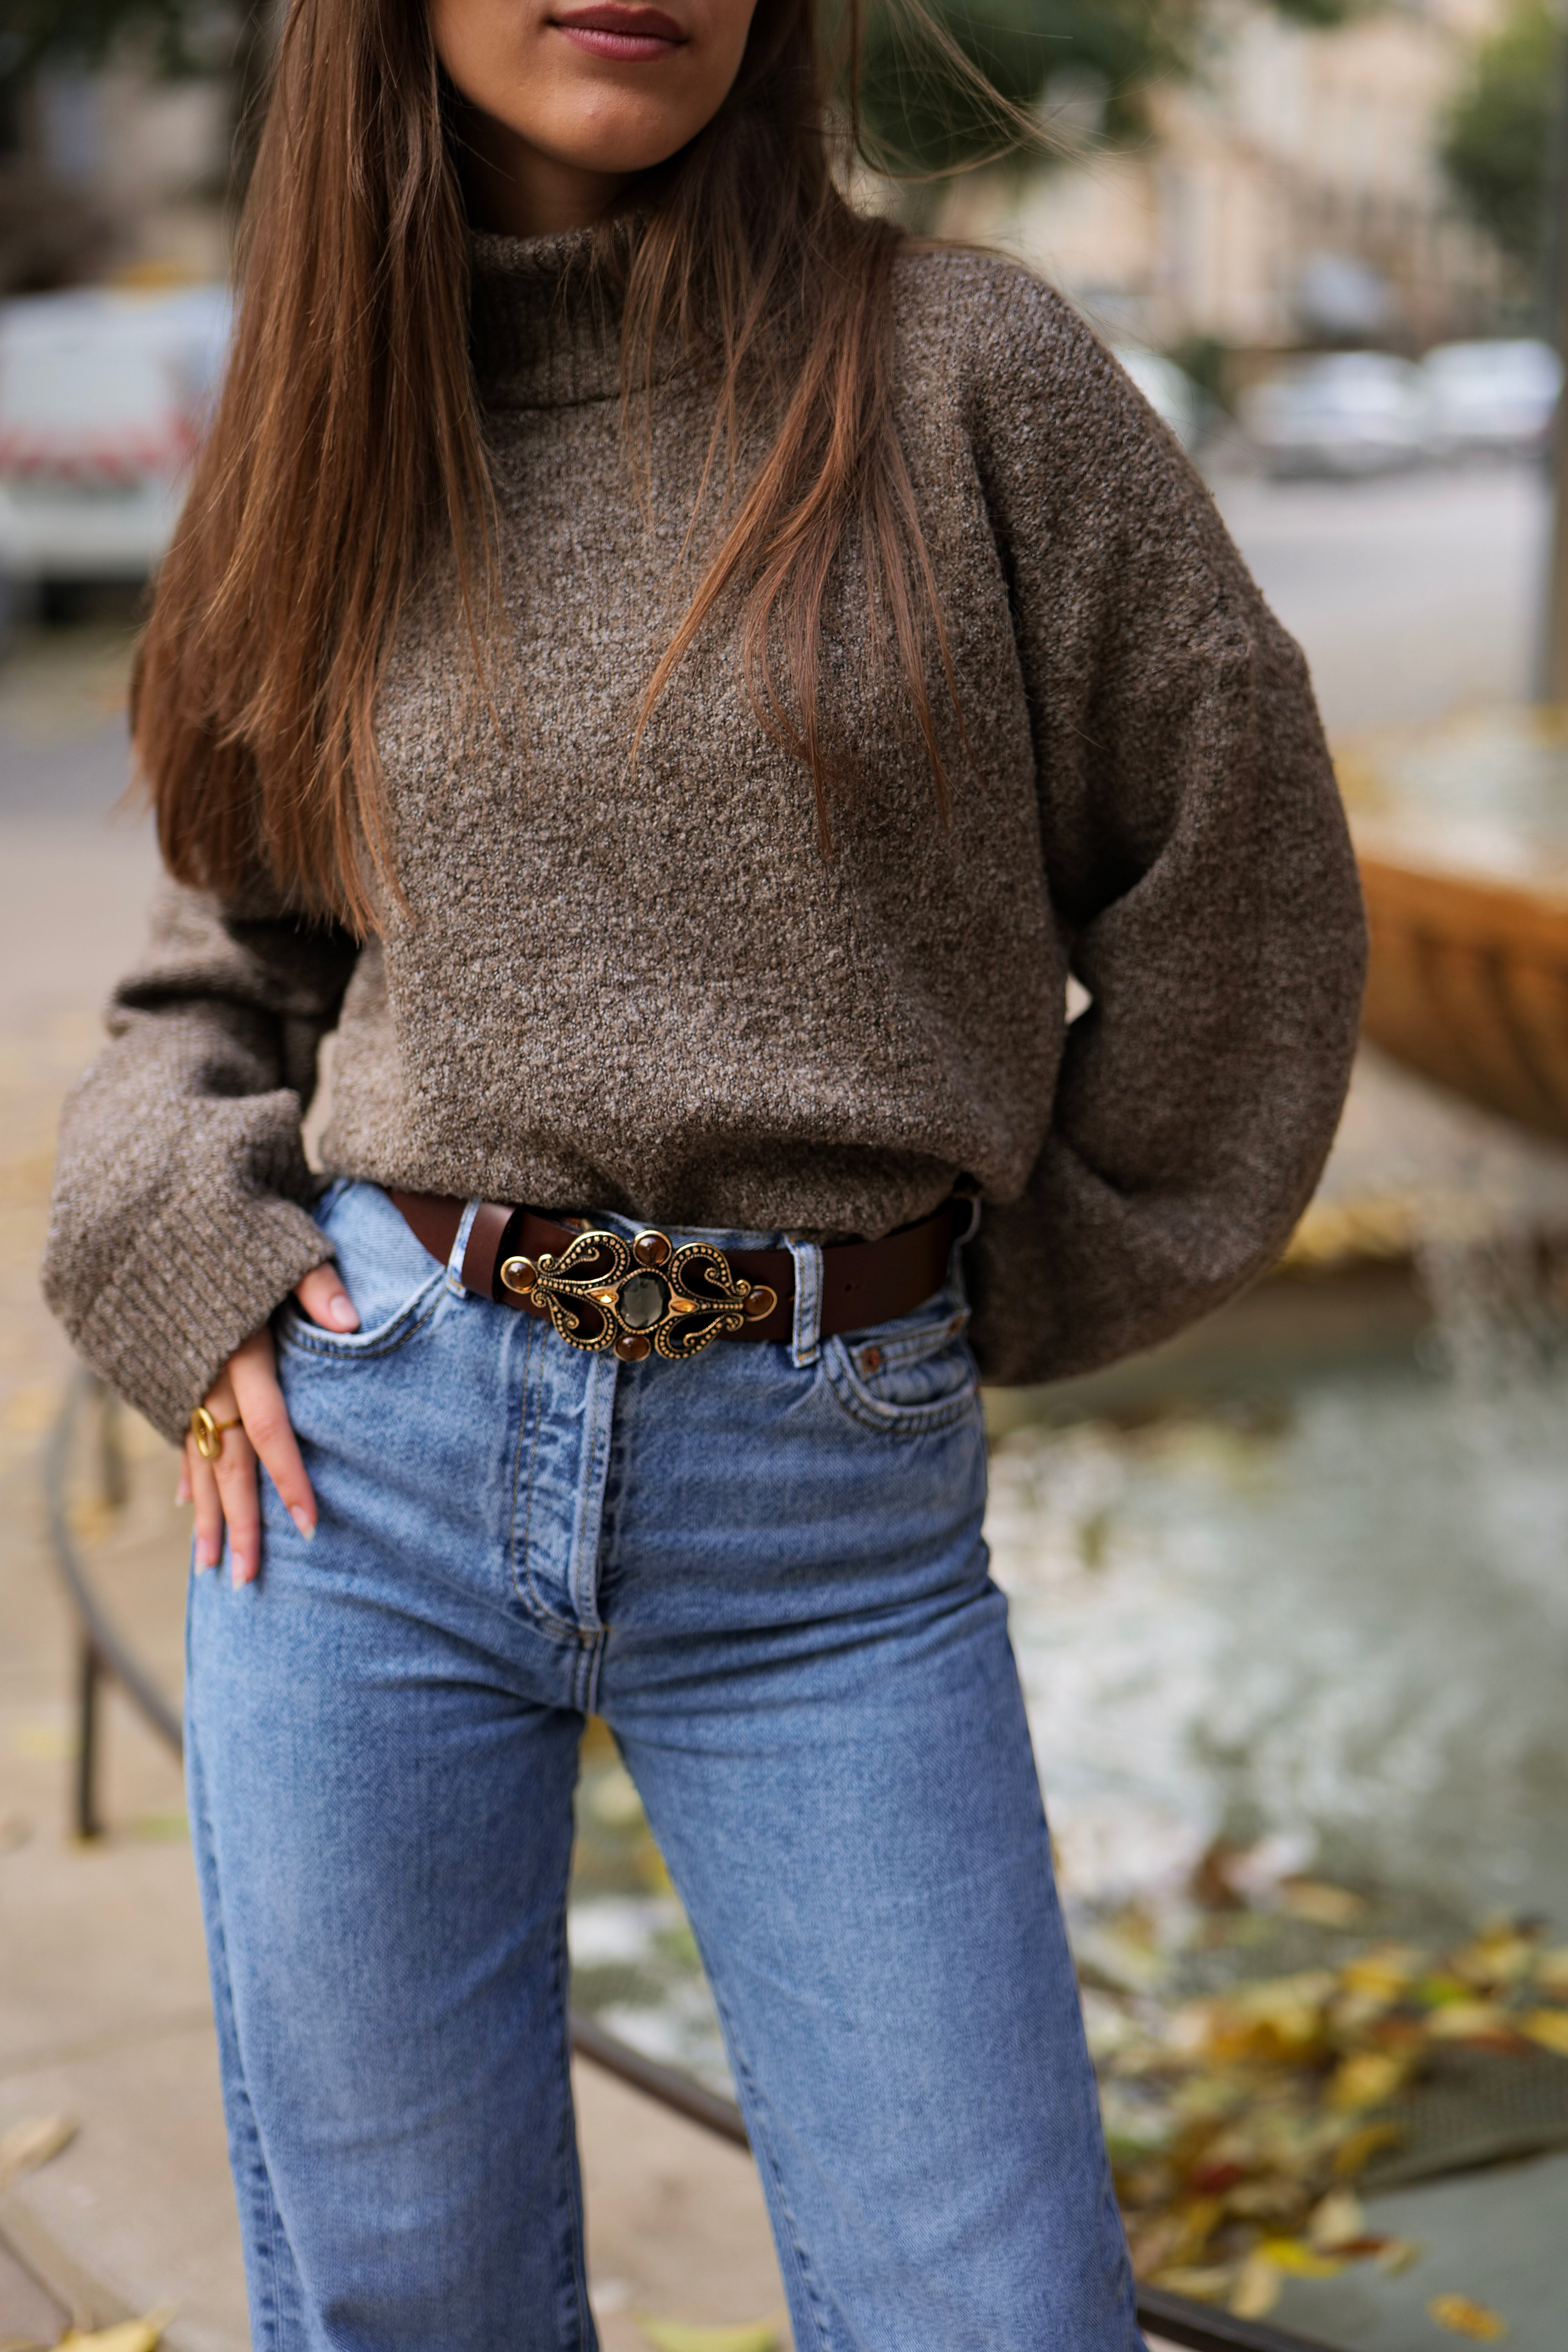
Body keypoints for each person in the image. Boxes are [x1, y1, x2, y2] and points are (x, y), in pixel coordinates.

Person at [43, 0, 1365, 2335]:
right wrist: (185, 1252)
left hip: (829, 1526)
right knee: (411, 2304)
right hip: (371, 1475)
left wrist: (1012, 1281)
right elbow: (221, 953)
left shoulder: (969, 375)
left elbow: (1240, 885)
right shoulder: (338, 409)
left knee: (997, 2310)